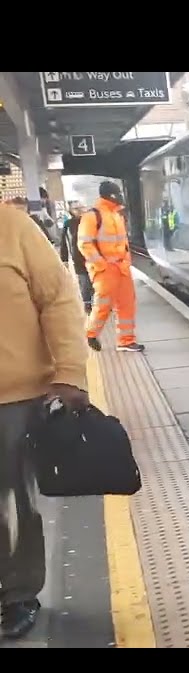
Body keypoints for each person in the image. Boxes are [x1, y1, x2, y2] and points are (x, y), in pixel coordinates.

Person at [0, 202, 90, 639]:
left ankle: (17, 592)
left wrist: (70, 371)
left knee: (17, 500)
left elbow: (58, 298)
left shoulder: (12, 227)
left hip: (13, 398)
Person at [80, 181, 144, 352]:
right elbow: (84, 244)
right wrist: (101, 265)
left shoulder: (117, 215)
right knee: (103, 305)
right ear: (110, 195)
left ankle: (126, 340)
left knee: (127, 304)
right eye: (117, 193)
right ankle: (91, 333)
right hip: (105, 270)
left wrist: (126, 261)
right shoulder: (92, 216)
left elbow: (123, 243)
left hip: (122, 268)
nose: (120, 196)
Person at [60, 207, 92, 313]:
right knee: (84, 281)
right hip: (80, 257)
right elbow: (64, 243)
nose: (81, 211)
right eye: (77, 209)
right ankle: (87, 304)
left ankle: (91, 303)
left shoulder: (92, 221)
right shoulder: (69, 223)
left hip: (89, 256)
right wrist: (64, 259)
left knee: (91, 280)